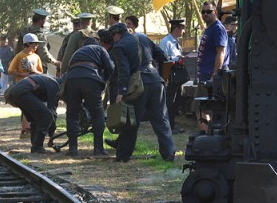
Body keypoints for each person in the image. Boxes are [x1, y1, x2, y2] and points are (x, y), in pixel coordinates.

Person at [107, 21, 174, 162]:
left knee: (131, 121)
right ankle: (169, 152)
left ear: (117, 34)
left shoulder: (119, 46)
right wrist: (163, 76)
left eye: (112, 36)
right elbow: (163, 57)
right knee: (161, 118)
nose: (113, 39)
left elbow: (123, 71)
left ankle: (123, 155)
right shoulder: (143, 38)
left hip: (138, 84)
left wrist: (121, 91)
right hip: (156, 80)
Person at [60, 31, 114, 156]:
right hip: (90, 79)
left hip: (72, 80)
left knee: (72, 114)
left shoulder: (77, 53)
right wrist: (103, 80)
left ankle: (72, 149)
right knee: (97, 113)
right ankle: (98, 148)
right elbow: (110, 67)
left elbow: (69, 66)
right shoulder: (100, 49)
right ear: (97, 43)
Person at [5, 72, 61, 153]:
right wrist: (51, 136)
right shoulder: (54, 86)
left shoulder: (48, 79)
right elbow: (52, 112)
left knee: (36, 118)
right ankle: (37, 147)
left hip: (13, 92)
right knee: (47, 116)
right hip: (23, 92)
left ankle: (35, 145)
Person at [196, 1, 228, 131]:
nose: (205, 14)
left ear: (215, 12)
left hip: (212, 77)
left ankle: (207, 134)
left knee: (201, 107)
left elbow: (221, 53)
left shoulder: (218, 28)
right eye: (203, 12)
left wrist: (214, 76)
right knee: (201, 108)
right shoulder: (209, 29)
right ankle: (207, 133)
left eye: (209, 11)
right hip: (204, 76)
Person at [159, 19, 189, 129]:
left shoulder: (176, 42)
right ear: (176, 28)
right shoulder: (166, 42)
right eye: (181, 29)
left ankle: (172, 124)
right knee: (169, 102)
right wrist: (176, 58)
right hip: (170, 76)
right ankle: (167, 126)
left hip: (177, 76)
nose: (182, 31)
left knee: (176, 101)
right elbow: (162, 59)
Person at [19, 8, 59, 72]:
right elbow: (43, 54)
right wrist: (55, 62)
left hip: (22, 65)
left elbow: (18, 49)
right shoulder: (40, 35)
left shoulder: (23, 31)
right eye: (44, 19)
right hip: (37, 67)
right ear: (41, 20)